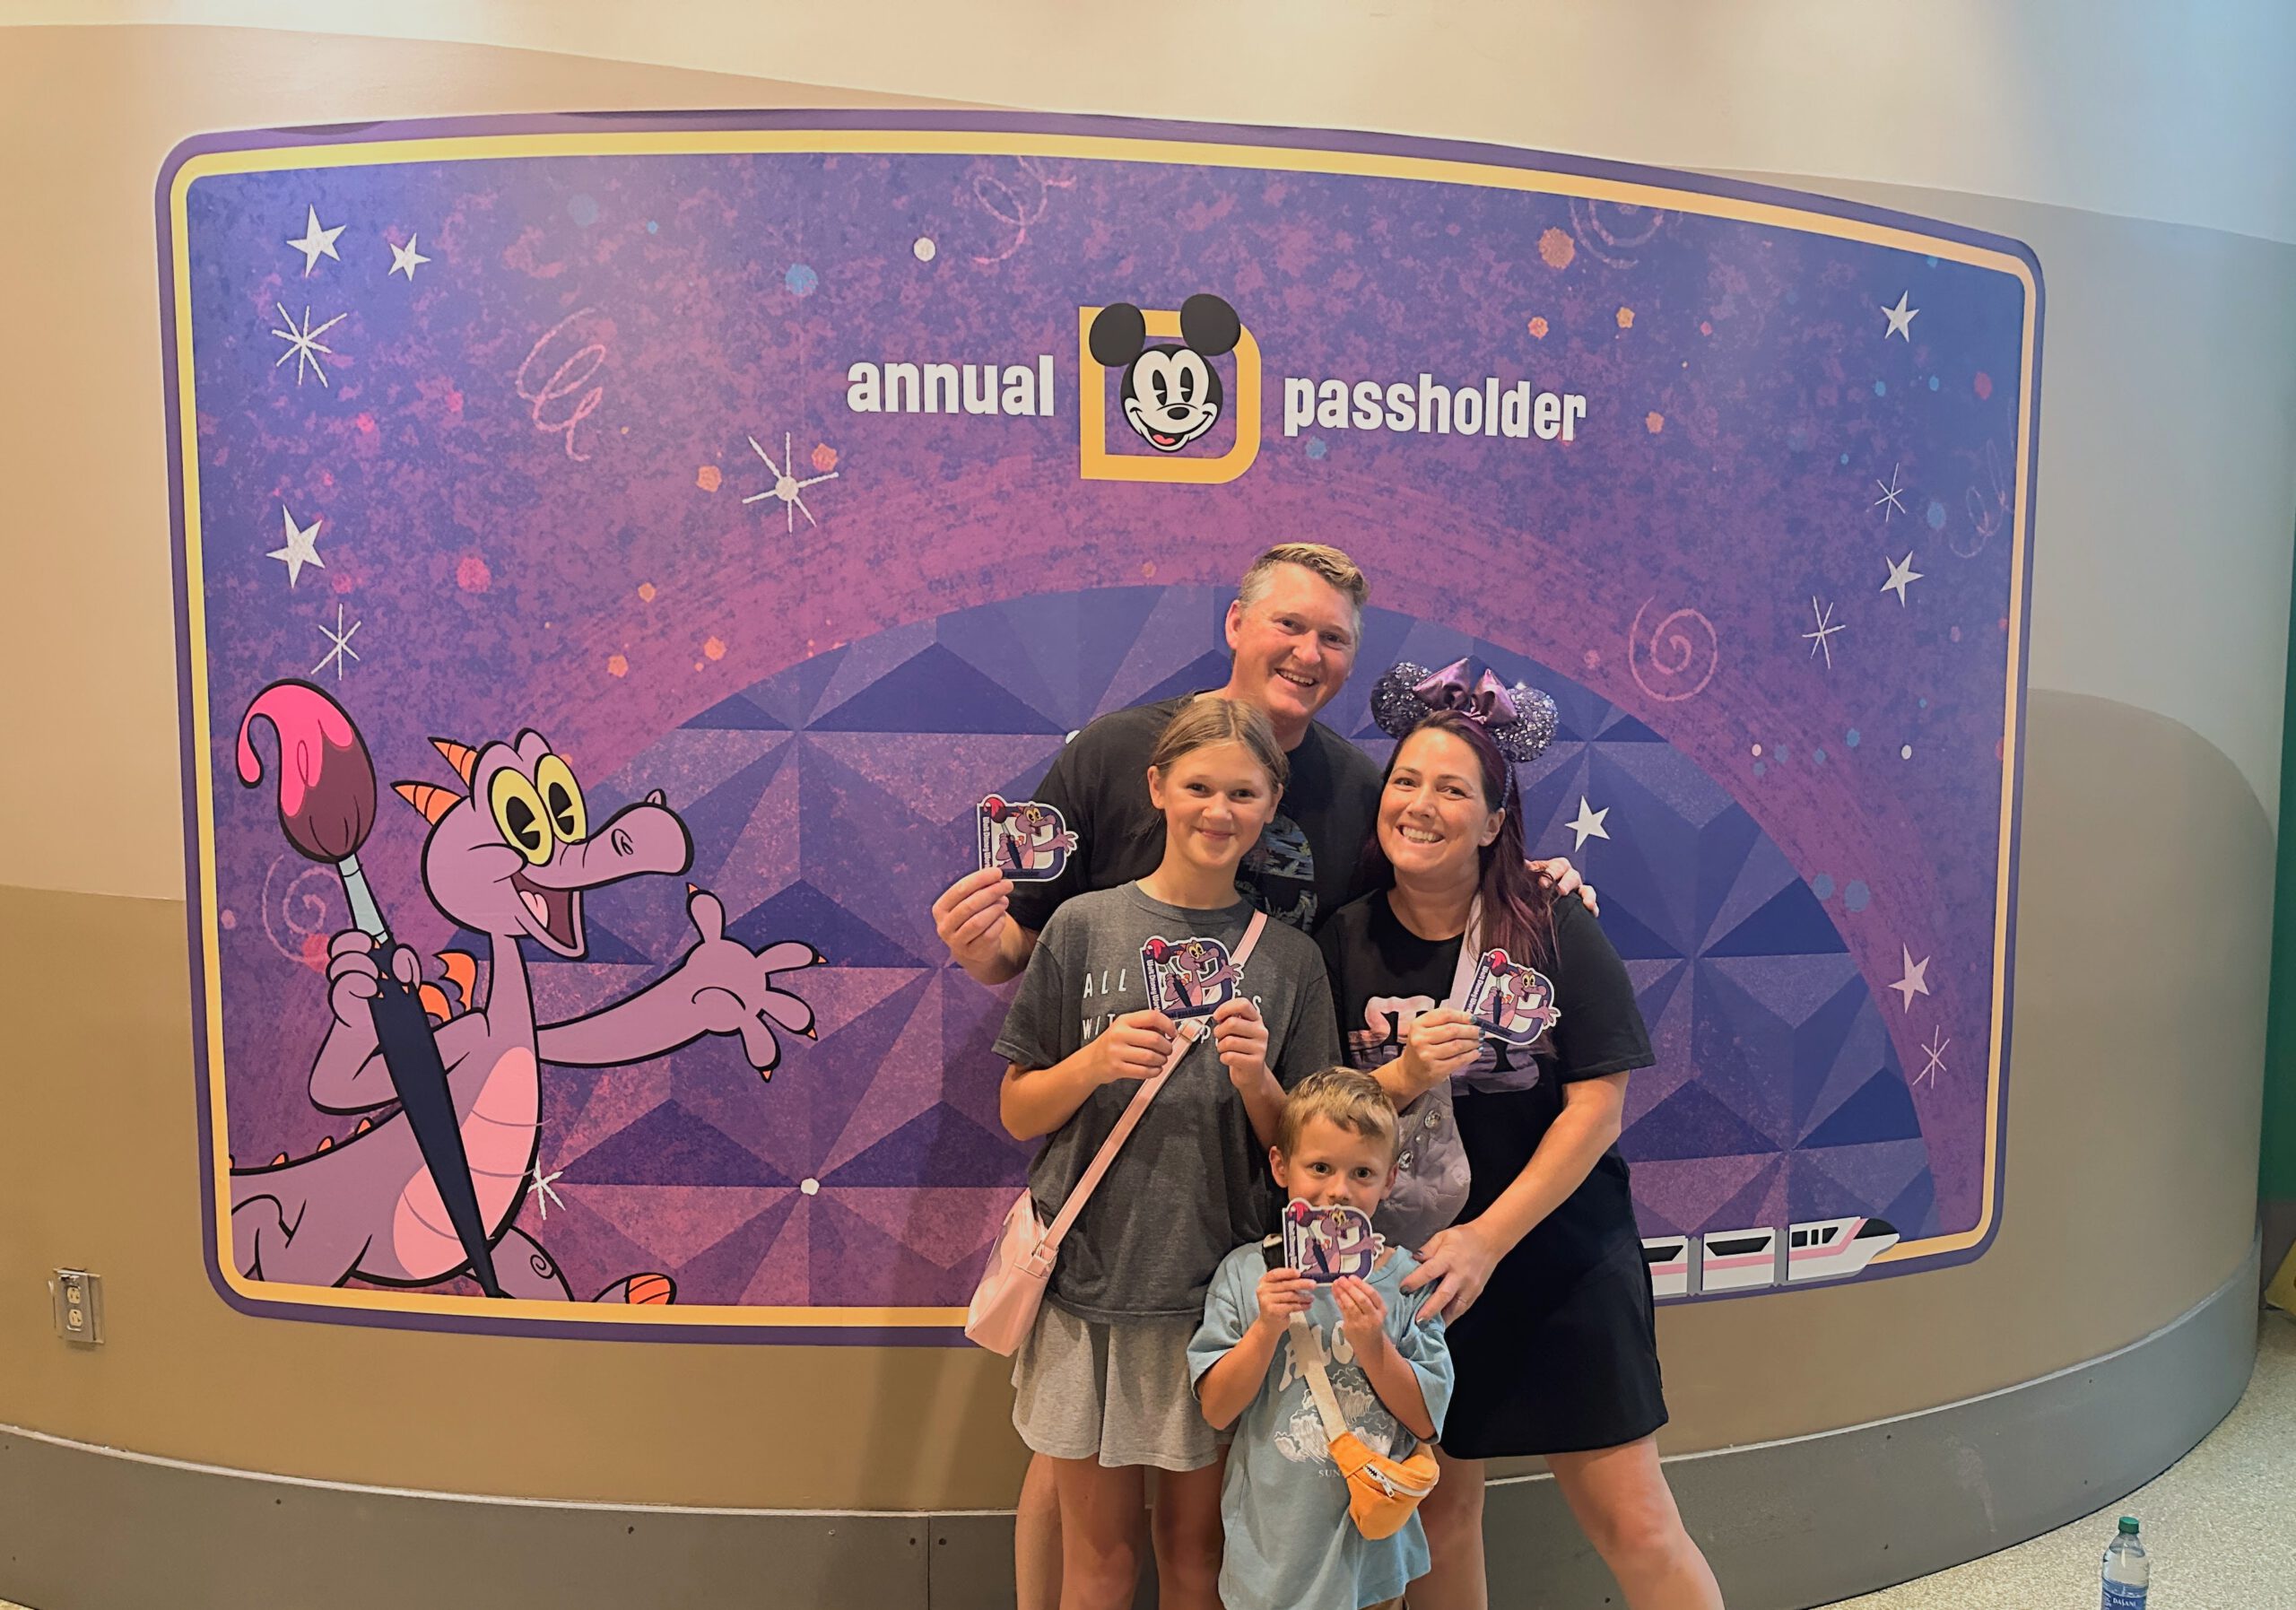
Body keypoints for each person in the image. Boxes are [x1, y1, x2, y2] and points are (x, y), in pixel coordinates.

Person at [930, 543, 1592, 1609]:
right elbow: (1021, 956)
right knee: (1081, 1521)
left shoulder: (1340, 825)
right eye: (1289, 623)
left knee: (1206, 1537)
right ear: (1235, 624)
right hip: (1094, 1254)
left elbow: (1428, 875)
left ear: (1271, 801)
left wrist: (1529, 877)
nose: (1307, 651)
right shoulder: (1109, 776)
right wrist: (994, 960)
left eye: (1332, 637)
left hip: (1233, 1251)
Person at [1314, 669, 1724, 1610]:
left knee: (1634, 1522)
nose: (1421, 804)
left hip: (1559, 1259)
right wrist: (1402, 1074)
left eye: (1453, 789)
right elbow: (1321, 1112)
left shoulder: (1549, 922)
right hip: (1421, 1272)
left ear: (1495, 822)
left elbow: (1596, 1107)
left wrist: (1487, 1240)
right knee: (1437, 1517)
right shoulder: (1342, 941)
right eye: (1406, 780)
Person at [993, 698, 1342, 1610]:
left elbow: (1305, 1156)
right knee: (1099, 1563)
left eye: (1242, 793)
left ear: (1270, 805)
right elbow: (1017, 1110)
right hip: (1089, 1289)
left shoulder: (1293, 961)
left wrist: (1257, 1077)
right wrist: (1093, 1061)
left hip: (1218, 1298)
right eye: (1197, 786)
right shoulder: (1081, 926)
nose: (1217, 810)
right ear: (1157, 787)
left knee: (1197, 1555)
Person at [1189, 1067, 1454, 1610]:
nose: (1338, 1190)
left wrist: (1374, 1345)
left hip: (1374, 1560)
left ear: (1389, 1181)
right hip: (1271, 1557)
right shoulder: (1245, 1274)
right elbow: (1216, 1410)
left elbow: (1427, 1420)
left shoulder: (1408, 1282)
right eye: (1319, 1167)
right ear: (1281, 1166)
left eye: (1362, 1172)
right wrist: (1265, 1328)